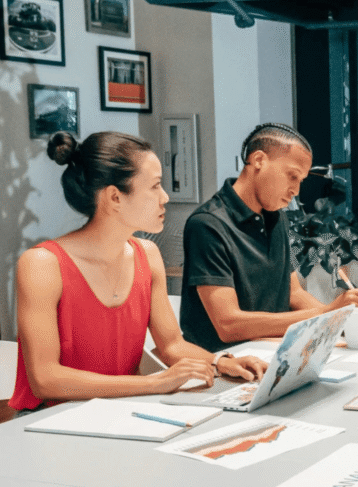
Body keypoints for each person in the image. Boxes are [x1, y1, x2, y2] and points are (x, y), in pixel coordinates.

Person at [10, 131, 267, 414]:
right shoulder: (41, 265)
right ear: (115, 197)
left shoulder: (148, 254)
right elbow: (46, 380)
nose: (165, 197)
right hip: (48, 423)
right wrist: (155, 383)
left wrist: (220, 363)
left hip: (121, 414)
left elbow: (171, 345)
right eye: (155, 186)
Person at [180, 123, 358, 353]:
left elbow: (294, 292)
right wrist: (326, 312)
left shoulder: (275, 218)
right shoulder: (208, 224)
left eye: (300, 180)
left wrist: (338, 322)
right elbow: (228, 325)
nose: (296, 190)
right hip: (226, 363)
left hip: (272, 352)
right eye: (292, 176)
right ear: (259, 160)